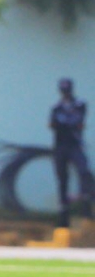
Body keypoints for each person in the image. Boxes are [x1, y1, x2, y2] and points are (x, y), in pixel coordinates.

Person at [50, 78, 93, 227]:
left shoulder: (80, 104)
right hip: (61, 146)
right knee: (63, 179)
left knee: (84, 172)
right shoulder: (56, 106)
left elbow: (78, 122)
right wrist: (66, 122)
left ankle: (86, 205)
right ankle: (63, 216)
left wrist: (66, 122)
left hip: (75, 145)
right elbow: (53, 124)